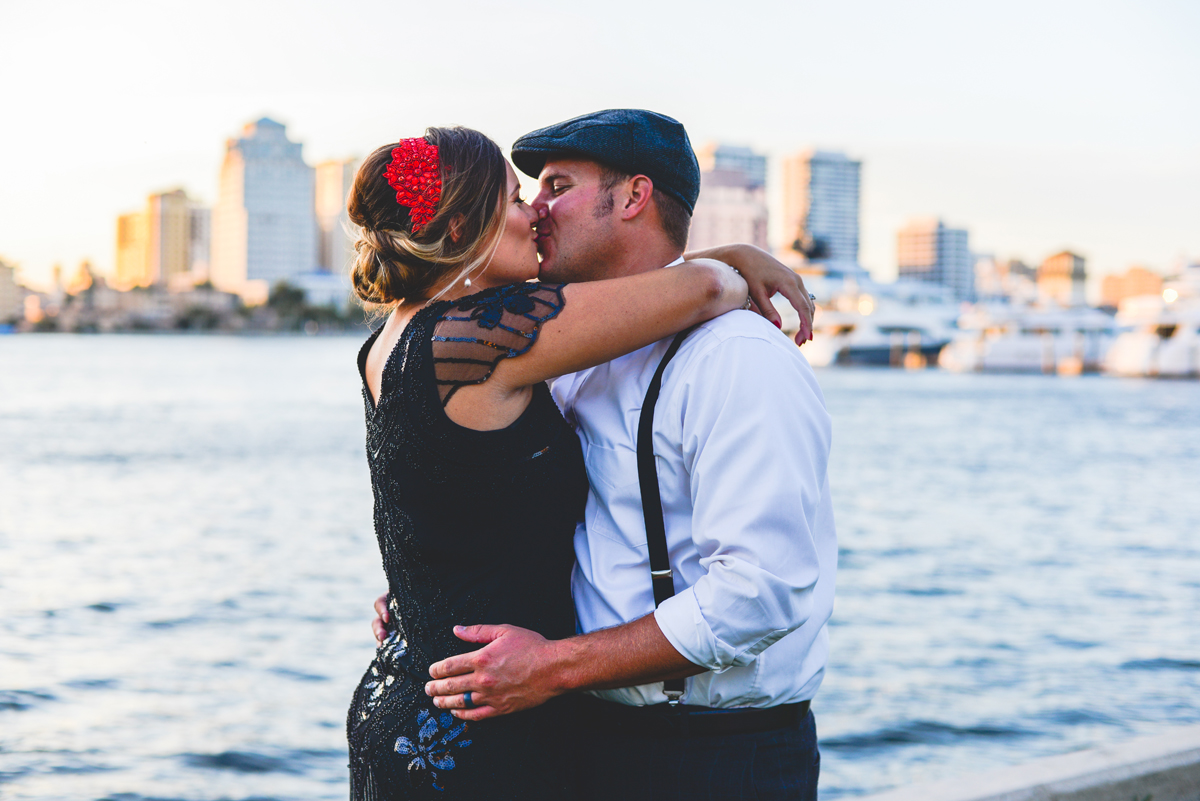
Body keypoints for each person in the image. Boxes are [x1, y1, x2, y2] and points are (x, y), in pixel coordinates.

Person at [345, 124, 814, 800]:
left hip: (423, 695)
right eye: (516, 199)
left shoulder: (401, 337)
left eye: (552, 189)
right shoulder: (486, 337)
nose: (533, 210)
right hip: (479, 725)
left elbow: (446, 490)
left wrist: (424, 588)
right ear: (460, 232)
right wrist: (735, 257)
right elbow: (706, 291)